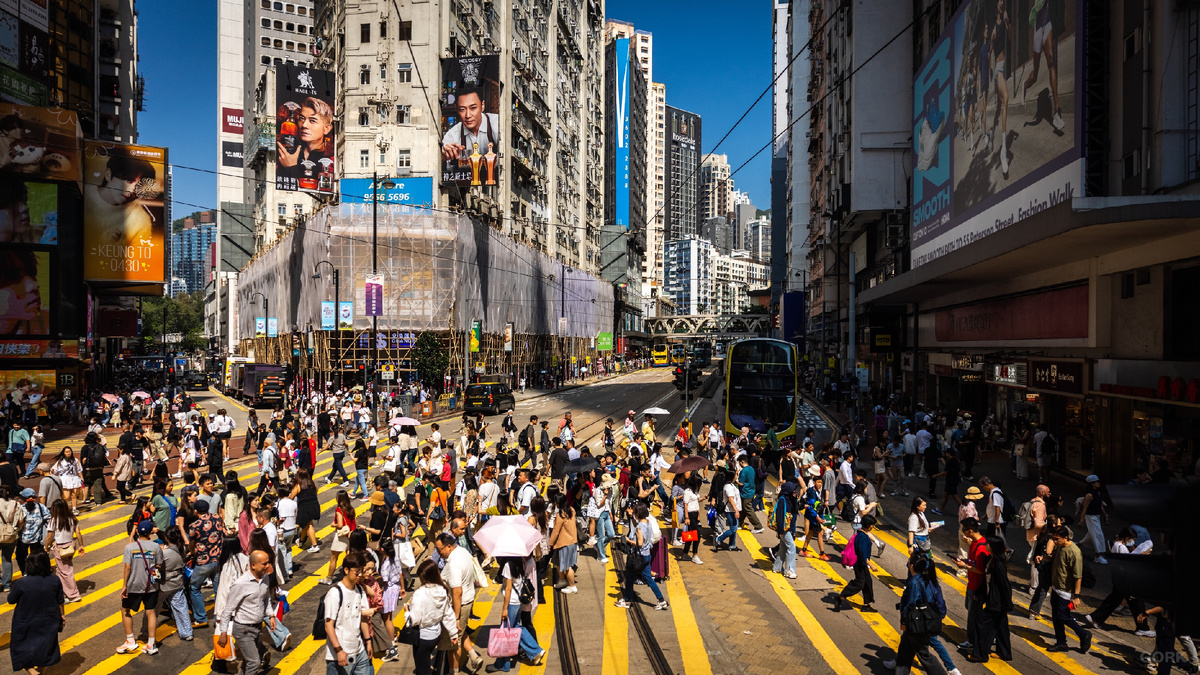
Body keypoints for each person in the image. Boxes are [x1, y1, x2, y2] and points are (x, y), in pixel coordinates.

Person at [884, 553, 957, 675]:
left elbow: (910, 603)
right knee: (905, 648)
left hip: (917, 622)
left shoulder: (914, 582)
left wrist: (903, 621)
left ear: (912, 566)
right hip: (925, 619)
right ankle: (900, 670)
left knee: (923, 654)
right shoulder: (929, 578)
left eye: (908, 562)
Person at [217, 550, 276, 675]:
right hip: (243, 629)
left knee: (247, 662)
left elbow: (266, 598)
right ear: (253, 565)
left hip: (258, 628)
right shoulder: (240, 584)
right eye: (264, 564)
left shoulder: (265, 578)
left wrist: (271, 615)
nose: (268, 566)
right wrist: (223, 632)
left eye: (268, 563)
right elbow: (228, 610)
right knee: (254, 662)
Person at [6, 551, 64, 675]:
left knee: (21, 647)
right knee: (46, 646)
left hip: (25, 620)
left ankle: (32, 671)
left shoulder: (22, 582)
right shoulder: (54, 579)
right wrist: (62, 616)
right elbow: (60, 601)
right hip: (49, 618)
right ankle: (41, 672)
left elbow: (11, 600)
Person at [434, 532, 484, 673]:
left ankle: (453, 671)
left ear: (448, 546)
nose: (438, 553)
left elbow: (457, 592)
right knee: (461, 633)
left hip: (459, 605)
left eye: (440, 550)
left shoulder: (453, 564)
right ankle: (474, 656)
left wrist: (455, 617)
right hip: (467, 600)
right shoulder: (462, 551)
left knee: (453, 642)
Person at [488, 554, 547, 672]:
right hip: (518, 601)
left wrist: (504, 608)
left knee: (506, 631)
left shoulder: (508, 565)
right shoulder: (520, 562)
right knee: (515, 627)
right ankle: (536, 651)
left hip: (511, 603)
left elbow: (508, 588)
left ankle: (502, 664)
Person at [117, 519, 164, 655]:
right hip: (151, 585)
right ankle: (151, 644)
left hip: (133, 584)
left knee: (125, 609)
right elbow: (159, 565)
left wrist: (124, 585)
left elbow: (127, 567)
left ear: (137, 531)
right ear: (150, 533)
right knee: (150, 612)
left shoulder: (129, 548)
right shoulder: (155, 547)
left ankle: (130, 640)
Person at [406, 559, 458, 675]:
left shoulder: (419, 594)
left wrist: (406, 612)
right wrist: (453, 633)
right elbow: (448, 614)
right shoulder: (442, 591)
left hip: (422, 637)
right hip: (435, 635)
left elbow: (415, 620)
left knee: (422, 669)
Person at [1046, 525, 1092, 653]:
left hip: (1066, 591)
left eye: (1056, 539)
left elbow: (1078, 576)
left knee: (1063, 616)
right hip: (1056, 587)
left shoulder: (1074, 552)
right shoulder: (1059, 547)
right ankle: (1061, 643)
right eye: (1053, 538)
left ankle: (1083, 634)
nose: (1054, 541)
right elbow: (1054, 558)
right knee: (1056, 617)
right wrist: (1043, 557)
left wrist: (1076, 596)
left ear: (1065, 537)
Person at [615, 502, 668, 611]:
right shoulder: (648, 522)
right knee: (649, 579)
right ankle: (661, 600)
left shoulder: (639, 527)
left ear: (637, 514)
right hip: (647, 555)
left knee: (629, 579)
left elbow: (639, 543)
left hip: (638, 557)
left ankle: (627, 600)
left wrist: (628, 540)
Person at [971, 535, 1013, 663]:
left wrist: (1007, 603)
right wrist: (979, 593)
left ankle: (980, 654)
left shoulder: (998, 564)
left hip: (997, 603)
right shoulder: (990, 560)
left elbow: (1004, 585)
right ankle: (1004, 653)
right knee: (1001, 627)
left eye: (988, 544)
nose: (986, 545)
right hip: (994, 600)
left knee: (982, 623)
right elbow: (986, 580)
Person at [277, 97, 334, 182]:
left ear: (326, 129)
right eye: (302, 118)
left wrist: (291, 167)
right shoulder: (288, 149)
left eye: (312, 121)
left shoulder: (330, 159)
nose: (304, 125)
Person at [186, 499, 223, 628]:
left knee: (195, 587)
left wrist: (192, 553)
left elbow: (191, 544)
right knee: (218, 587)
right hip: (217, 559)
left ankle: (201, 618)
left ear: (196, 511)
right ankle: (220, 616)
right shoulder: (217, 518)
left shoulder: (194, 526)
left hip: (203, 562)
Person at [953, 517, 988, 652]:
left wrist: (965, 566)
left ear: (971, 531)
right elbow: (973, 561)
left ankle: (972, 641)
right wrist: (964, 561)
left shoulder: (981, 547)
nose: (963, 533)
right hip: (971, 583)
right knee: (970, 608)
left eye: (964, 531)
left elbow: (980, 570)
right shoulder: (974, 542)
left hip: (977, 586)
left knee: (973, 614)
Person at [440, 86, 500, 163]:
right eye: (462, 109)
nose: (468, 115)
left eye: (473, 108)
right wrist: (444, 153)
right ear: (457, 110)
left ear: (482, 106)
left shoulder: (498, 125)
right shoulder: (452, 135)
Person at [834, 514, 879, 611]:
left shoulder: (862, 533)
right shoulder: (862, 536)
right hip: (860, 563)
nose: (873, 526)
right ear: (868, 525)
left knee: (867, 582)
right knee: (859, 583)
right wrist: (871, 565)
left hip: (862, 563)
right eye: (872, 525)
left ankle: (866, 605)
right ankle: (840, 597)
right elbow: (862, 553)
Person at [158, 526, 193, 643]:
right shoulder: (182, 548)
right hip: (178, 581)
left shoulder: (165, 552)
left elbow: (158, 565)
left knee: (153, 609)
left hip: (164, 583)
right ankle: (187, 632)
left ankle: (146, 632)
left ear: (167, 537)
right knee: (181, 607)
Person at [44, 499, 82, 603]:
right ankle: (63, 592)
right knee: (61, 570)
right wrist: (81, 545)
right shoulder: (72, 519)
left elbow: (49, 536)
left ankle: (73, 595)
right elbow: (78, 533)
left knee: (66, 571)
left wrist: (46, 547)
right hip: (71, 545)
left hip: (60, 547)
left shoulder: (53, 520)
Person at [548, 492, 578, 594]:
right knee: (557, 562)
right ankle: (562, 580)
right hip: (572, 542)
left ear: (558, 503)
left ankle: (572, 586)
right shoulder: (571, 510)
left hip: (564, 543)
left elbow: (556, 530)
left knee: (567, 566)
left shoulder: (561, 515)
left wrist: (550, 543)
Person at [15, 488, 49, 574]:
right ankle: (38, 572)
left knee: (20, 557)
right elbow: (49, 520)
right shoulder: (41, 507)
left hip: (23, 539)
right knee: (38, 558)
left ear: (23, 498)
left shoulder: (20, 508)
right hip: (37, 539)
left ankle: (25, 573)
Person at [1079, 474, 1109, 563]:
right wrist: (1082, 520)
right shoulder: (1089, 495)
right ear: (1092, 484)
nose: (1099, 483)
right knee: (1097, 535)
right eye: (1097, 482)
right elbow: (1085, 508)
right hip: (1091, 517)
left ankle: (1078, 545)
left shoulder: (1097, 493)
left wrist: (1105, 514)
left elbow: (1100, 505)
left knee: (1091, 534)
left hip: (1097, 516)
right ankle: (1098, 556)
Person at [772, 481, 800, 579]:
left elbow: (796, 509)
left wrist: (795, 499)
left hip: (788, 527)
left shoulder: (789, 499)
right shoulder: (782, 500)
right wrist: (780, 531)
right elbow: (780, 516)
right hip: (783, 528)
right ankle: (789, 570)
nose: (794, 492)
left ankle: (777, 567)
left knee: (783, 548)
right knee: (791, 547)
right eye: (793, 490)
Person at [0, 486, 22, 591]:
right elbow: (21, 521)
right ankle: (7, 585)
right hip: (11, 536)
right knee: (7, 559)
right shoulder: (16, 504)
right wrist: (16, 531)